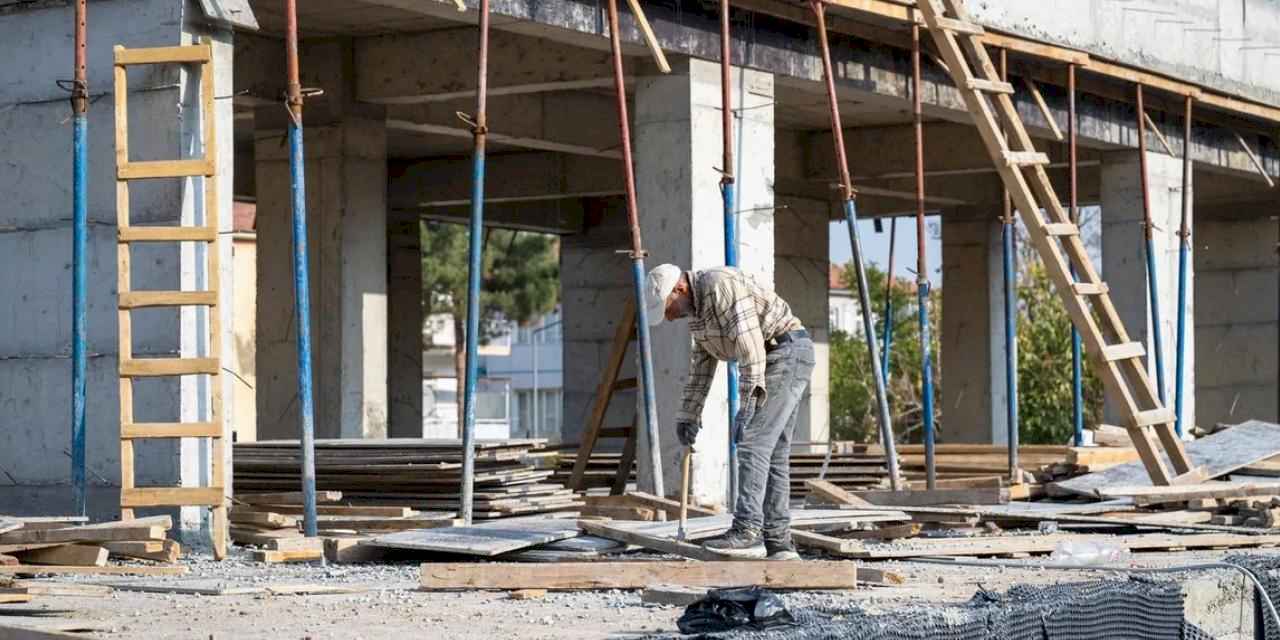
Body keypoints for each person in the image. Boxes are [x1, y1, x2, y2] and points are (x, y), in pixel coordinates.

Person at [645, 264, 815, 560]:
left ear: (680, 289)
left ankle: (748, 531)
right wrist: (689, 414)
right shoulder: (697, 315)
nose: (669, 317)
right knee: (771, 452)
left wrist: (748, 406)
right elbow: (702, 368)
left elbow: (751, 350)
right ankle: (779, 544)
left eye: (668, 308)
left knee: (753, 443)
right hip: (775, 358)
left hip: (784, 354)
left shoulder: (719, 285)